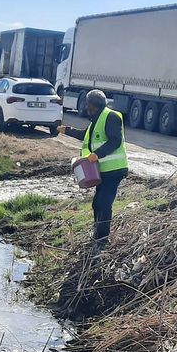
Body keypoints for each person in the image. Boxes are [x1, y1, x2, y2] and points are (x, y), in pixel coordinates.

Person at [57, 90, 128, 248]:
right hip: (103, 170)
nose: (84, 106)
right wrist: (66, 130)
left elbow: (115, 141)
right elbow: (86, 136)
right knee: (97, 203)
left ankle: (102, 240)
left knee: (104, 203)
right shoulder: (97, 119)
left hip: (114, 170)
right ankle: (98, 234)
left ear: (90, 105)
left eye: (86, 103)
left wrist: (97, 154)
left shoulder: (111, 116)